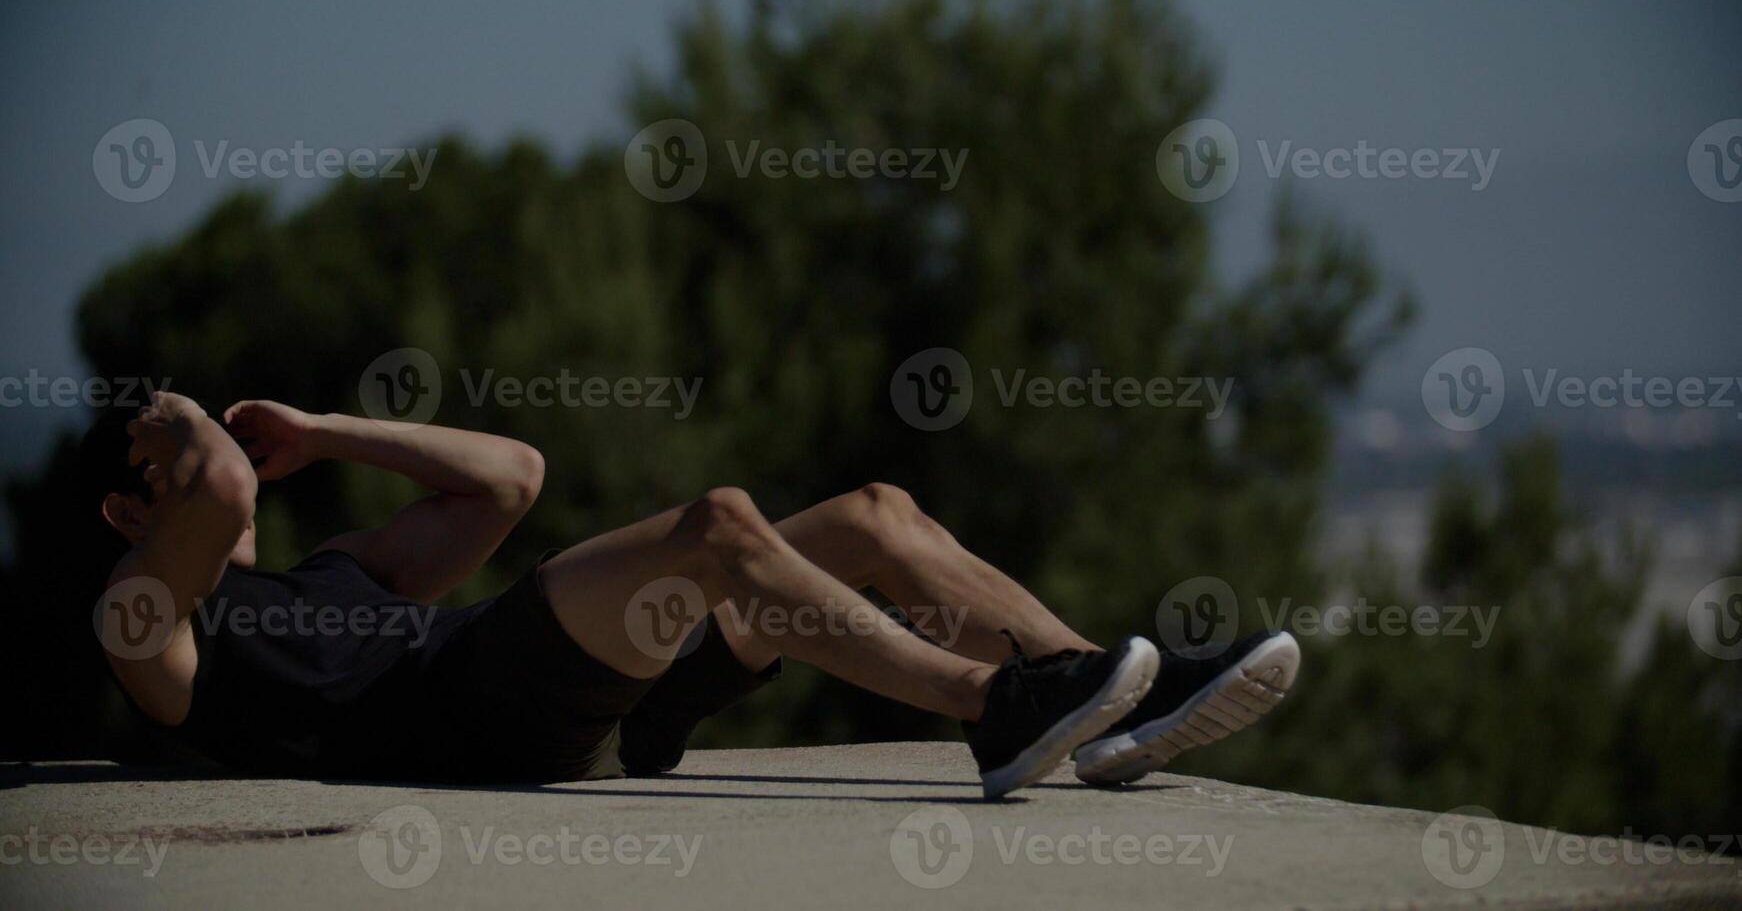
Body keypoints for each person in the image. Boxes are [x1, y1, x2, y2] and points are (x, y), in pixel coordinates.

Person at [84, 392, 1298, 798]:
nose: (196, 469)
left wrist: (327, 429)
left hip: (567, 684)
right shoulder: (150, 636)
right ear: (129, 516)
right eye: (157, 471)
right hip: (483, 714)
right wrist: (179, 422)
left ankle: (1108, 696)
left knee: (875, 511)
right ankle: (997, 704)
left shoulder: (338, 566)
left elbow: (511, 476)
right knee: (716, 526)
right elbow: (217, 478)